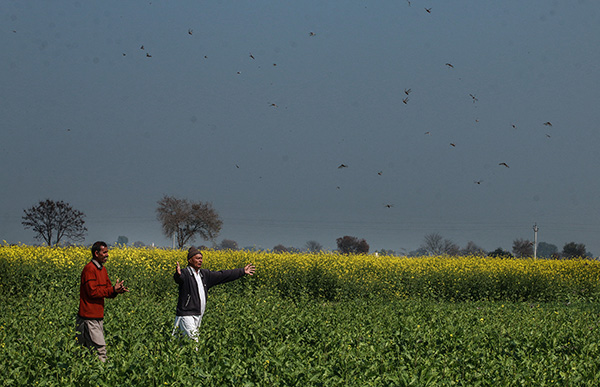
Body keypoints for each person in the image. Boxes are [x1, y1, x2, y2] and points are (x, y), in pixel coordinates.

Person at [173, 246, 255, 341]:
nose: (200, 260)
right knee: (193, 341)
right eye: (197, 258)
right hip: (187, 315)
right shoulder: (185, 273)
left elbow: (222, 275)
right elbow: (179, 279)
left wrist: (242, 271)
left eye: (201, 258)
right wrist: (178, 275)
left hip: (198, 314)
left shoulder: (204, 274)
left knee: (180, 342)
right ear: (190, 260)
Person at [76, 241, 129, 362]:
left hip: (97, 316)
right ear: (96, 253)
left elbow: (107, 291)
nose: (107, 255)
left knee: (86, 351)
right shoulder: (89, 269)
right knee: (99, 350)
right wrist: (111, 290)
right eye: (104, 252)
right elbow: (92, 292)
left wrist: (116, 291)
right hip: (88, 317)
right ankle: (104, 374)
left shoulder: (102, 270)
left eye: (107, 252)